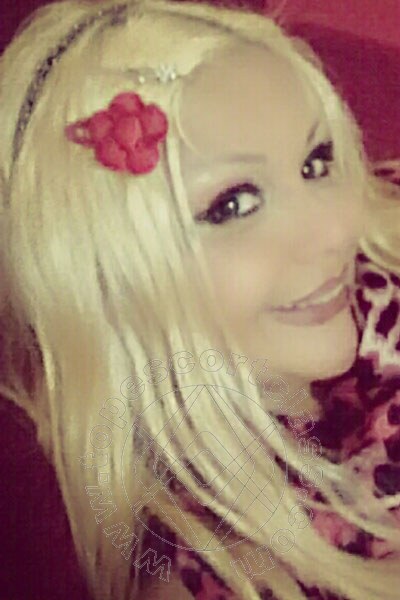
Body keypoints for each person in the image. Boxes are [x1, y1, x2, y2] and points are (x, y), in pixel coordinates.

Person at [0, 0, 400, 598]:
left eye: (316, 162)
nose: (337, 229)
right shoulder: (222, 573)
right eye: (232, 204)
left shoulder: (384, 237)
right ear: (113, 280)